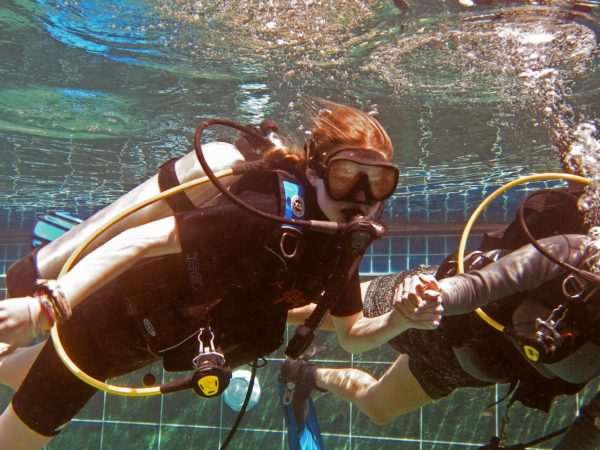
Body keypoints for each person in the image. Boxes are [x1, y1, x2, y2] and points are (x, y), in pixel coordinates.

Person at [0, 99, 441, 450]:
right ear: (315, 172)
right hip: (99, 331)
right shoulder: (266, 213)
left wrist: (400, 318)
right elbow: (140, 241)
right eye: (347, 177)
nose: (362, 198)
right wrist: (45, 308)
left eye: (379, 183)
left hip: (139, 347)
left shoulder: (341, 245)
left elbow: (350, 335)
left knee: (13, 368)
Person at [281, 203, 600, 448]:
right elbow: (481, 286)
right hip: (431, 305)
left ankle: (304, 375)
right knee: (321, 314)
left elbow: (588, 431)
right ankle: (253, 316)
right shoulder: (581, 255)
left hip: (463, 367)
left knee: (378, 407)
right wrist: (430, 297)